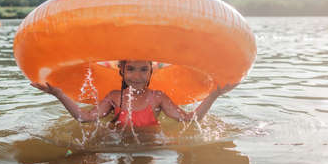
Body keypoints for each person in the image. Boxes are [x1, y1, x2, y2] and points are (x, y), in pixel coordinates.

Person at [31, 60, 236, 128]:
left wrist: (213, 95)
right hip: (115, 144)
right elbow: (84, 118)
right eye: (131, 69)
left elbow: (190, 120)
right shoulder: (114, 97)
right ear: (121, 71)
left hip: (150, 145)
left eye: (143, 69)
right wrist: (58, 94)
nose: (137, 76)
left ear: (151, 72)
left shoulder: (158, 97)